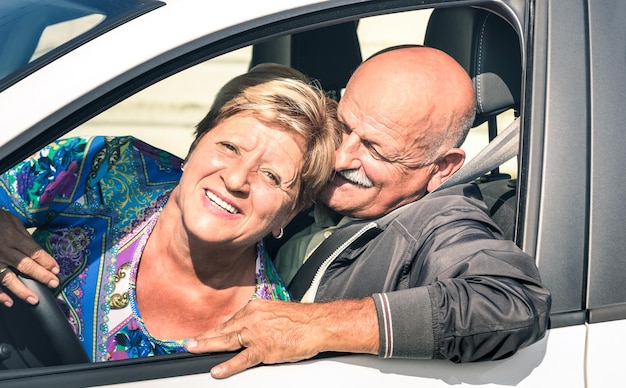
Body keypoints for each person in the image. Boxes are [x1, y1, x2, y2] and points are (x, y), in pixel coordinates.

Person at [184, 46, 551, 378]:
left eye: (376, 150)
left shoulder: (441, 223)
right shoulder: (312, 174)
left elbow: (510, 304)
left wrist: (318, 326)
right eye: (343, 127)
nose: (341, 157)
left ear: (441, 168)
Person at [0, 63, 340, 361]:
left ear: (289, 214)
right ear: (193, 147)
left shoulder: (264, 331)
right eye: (229, 147)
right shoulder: (113, 168)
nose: (236, 179)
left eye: (271, 176)